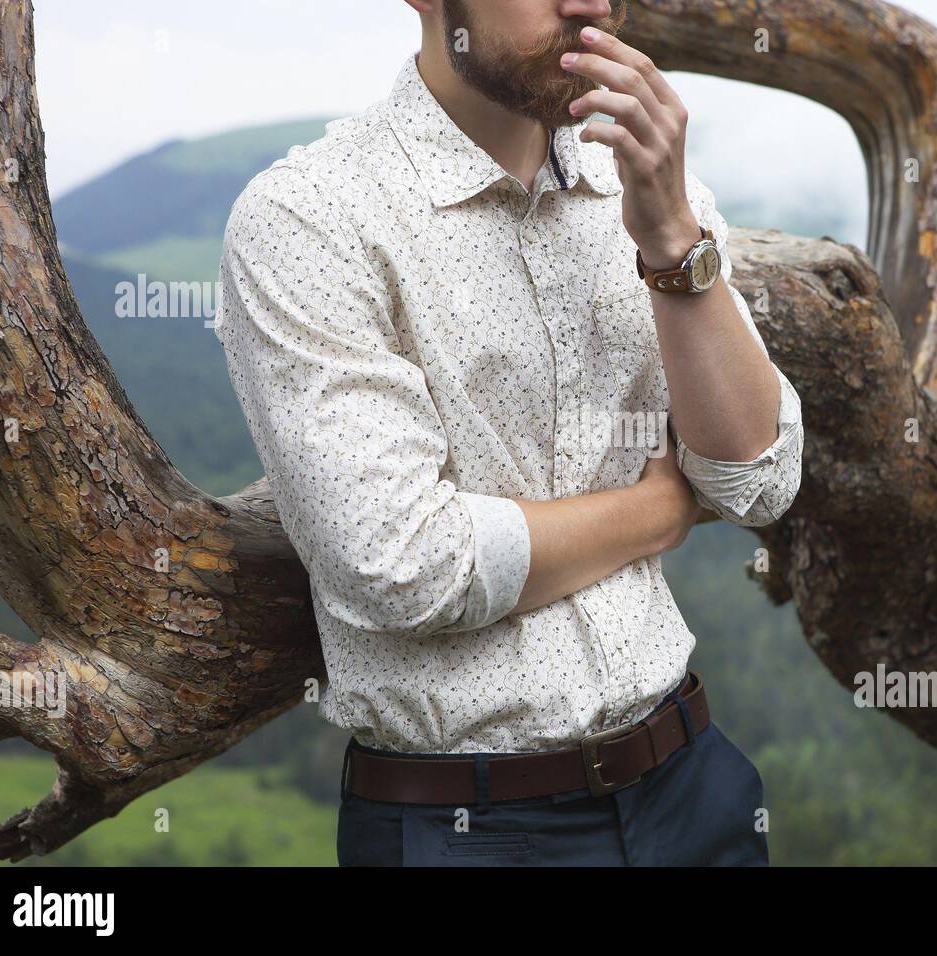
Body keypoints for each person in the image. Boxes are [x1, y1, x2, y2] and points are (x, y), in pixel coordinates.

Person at [213, 0, 803, 866]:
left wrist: (674, 238)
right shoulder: (311, 216)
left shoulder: (644, 188)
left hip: (693, 785)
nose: (590, 6)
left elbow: (759, 480)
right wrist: (658, 512)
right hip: (467, 827)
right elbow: (403, 565)